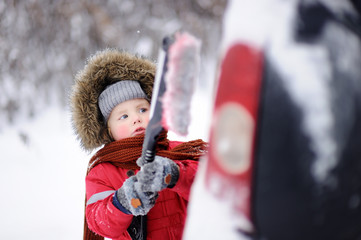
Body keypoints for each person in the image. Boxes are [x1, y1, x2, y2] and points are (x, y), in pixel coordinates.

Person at [70, 48, 207, 240]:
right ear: (108, 130)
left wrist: (175, 173)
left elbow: (210, 186)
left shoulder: (178, 152)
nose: (136, 118)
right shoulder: (102, 171)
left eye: (142, 109)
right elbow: (98, 221)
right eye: (124, 116)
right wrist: (122, 201)